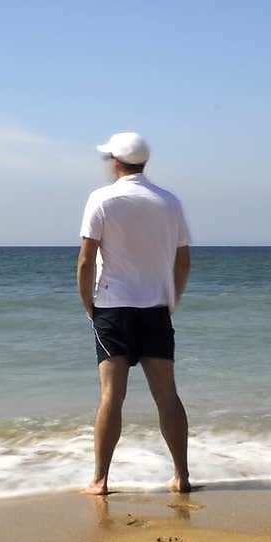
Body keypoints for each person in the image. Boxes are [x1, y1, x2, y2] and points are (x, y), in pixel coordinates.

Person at [77, 131, 192, 496]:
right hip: (156, 309)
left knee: (112, 396)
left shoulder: (102, 199)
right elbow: (183, 261)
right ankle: (181, 476)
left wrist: (88, 305)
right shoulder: (169, 202)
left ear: (115, 161)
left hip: (113, 309)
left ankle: (100, 481)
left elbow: (85, 260)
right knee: (167, 395)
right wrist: (170, 298)